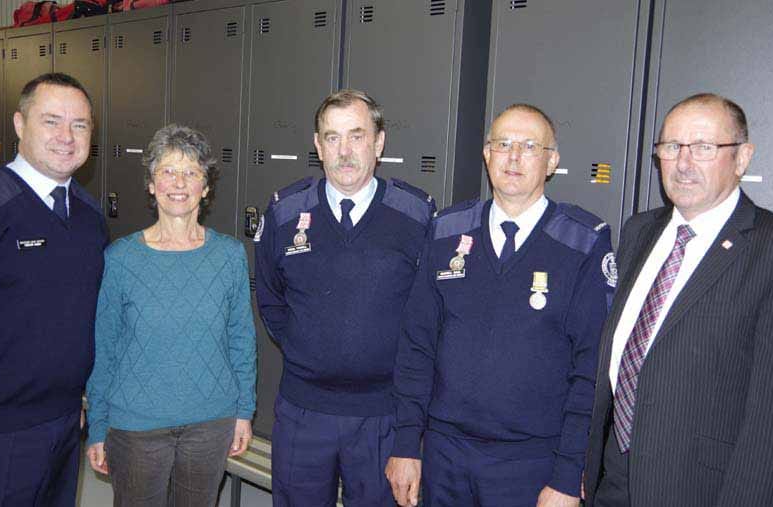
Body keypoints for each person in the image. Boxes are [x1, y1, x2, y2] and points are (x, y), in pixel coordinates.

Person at [387, 104, 615, 507]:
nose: (513, 157)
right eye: (503, 144)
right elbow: (416, 345)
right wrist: (407, 443)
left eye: (529, 146)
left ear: (552, 162)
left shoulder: (582, 243)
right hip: (445, 455)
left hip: (531, 463)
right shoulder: (446, 231)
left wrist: (567, 475)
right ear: (486, 154)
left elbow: (591, 371)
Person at [584, 94, 773, 506]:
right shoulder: (640, 231)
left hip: (700, 489)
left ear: (742, 158)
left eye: (704, 148)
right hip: (612, 482)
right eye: (672, 147)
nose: (683, 162)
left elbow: (771, 419)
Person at [255, 89, 436, 506]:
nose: (345, 151)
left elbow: (427, 317)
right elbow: (271, 299)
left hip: (383, 416)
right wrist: (311, 348)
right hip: (304, 412)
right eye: (332, 138)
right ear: (317, 146)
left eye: (356, 135)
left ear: (379, 141)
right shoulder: (285, 212)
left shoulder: (415, 215)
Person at [0, 72, 107, 506]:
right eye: (51, 121)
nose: (66, 137)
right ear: (19, 124)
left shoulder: (88, 216)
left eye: (80, 125)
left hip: (65, 426)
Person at [84, 124, 256, 506]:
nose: (179, 182)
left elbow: (241, 339)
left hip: (210, 423)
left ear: (206, 187)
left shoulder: (229, 257)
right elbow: (104, 348)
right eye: (167, 171)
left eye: (191, 172)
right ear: (151, 183)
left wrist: (244, 411)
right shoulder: (121, 260)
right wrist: (98, 425)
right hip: (136, 428)